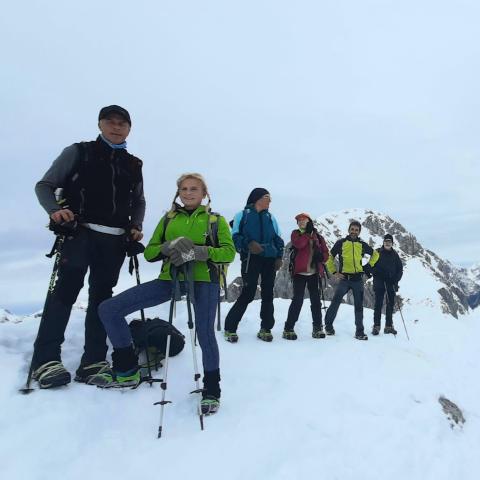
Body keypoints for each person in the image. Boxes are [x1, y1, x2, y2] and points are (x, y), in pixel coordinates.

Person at [91, 173, 235, 415]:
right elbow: (149, 253)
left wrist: (200, 252)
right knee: (109, 308)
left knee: (205, 333)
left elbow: (229, 253)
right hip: (170, 278)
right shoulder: (168, 219)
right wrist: (167, 248)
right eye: (184, 189)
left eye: (194, 189)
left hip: (204, 281)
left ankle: (212, 390)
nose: (188, 193)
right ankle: (126, 369)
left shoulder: (215, 220)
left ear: (204, 194)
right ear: (178, 193)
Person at [32, 105, 145, 388]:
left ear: (129, 128)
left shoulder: (134, 164)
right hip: (79, 232)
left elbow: (139, 201)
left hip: (115, 239)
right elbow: (44, 186)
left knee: (102, 300)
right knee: (65, 293)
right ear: (100, 124)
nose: (116, 127)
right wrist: (55, 211)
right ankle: (46, 360)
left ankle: (93, 362)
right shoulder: (78, 152)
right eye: (111, 121)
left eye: (123, 123)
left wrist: (136, 225)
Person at [224, 188, 284, 342]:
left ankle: (266, 328)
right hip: (251, 258)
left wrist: (279, 256)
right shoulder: (242, 215)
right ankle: (230, 328)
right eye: (267, 197)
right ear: (257, 198)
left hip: (269, 259)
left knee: (268, 293)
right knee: (248, 292)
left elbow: (278, 239)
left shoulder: (271, 217)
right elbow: (235, 237)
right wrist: (249, 244)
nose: (270, 201)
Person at [324, 221, 379, 340]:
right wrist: (334, 272)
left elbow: (375, 254)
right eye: (352, 229)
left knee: (359, 306)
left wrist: (368, 266)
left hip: (357, 279)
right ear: (349, 230)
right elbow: (329, 257)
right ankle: (328, 326)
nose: (354, 231)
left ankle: (359, 332)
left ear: (359, 232)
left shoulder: (362, 244)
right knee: (335, 302)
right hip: (344, 279)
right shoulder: (341, 243)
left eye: (356, 230)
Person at [283, 213, 329, 340]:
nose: (301, 222)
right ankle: (289, 327)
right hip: (299, 273)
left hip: (314, 273)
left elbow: (325, 252)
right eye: (299, 221)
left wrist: (322, 257)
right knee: (297, 300)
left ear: (309, 221)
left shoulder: (318, 237)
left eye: (304, 220)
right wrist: (308, 234)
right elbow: (299, 244)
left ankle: (317, 327)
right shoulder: (296, 234)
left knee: (315, 301)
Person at [366, 234, 403, 335]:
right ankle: (376, 326)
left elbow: (400, 269)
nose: (387, 243)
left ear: (392, 243)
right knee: (378, 304)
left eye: (389, 242)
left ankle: (388, 326)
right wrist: (377, 272)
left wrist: (395, 280)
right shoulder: (377, 252)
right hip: (379, 282)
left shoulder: (395, 255)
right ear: (383, 242)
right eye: (386, 241)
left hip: (391, 283)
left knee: (390, 305)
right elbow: (370, 266)